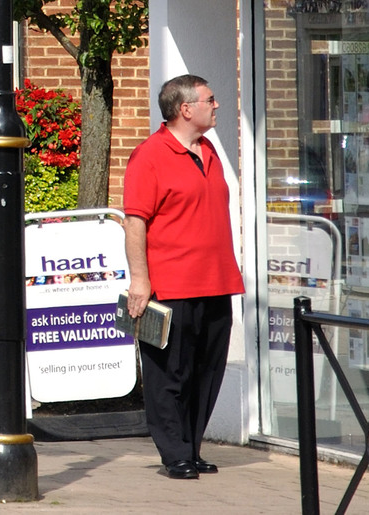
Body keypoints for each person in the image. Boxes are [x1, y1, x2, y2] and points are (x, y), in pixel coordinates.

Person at [124, 74, 245, 480]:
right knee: (168, 375)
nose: (217, 105)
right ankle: (174, 453)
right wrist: (139, 281)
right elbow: (135, 222)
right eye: (211, 99)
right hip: (171, 286)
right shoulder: (150, 155)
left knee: (205, 373)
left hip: (217, 282)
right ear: (185, 108)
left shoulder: (208, 149)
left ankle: (191, 448)